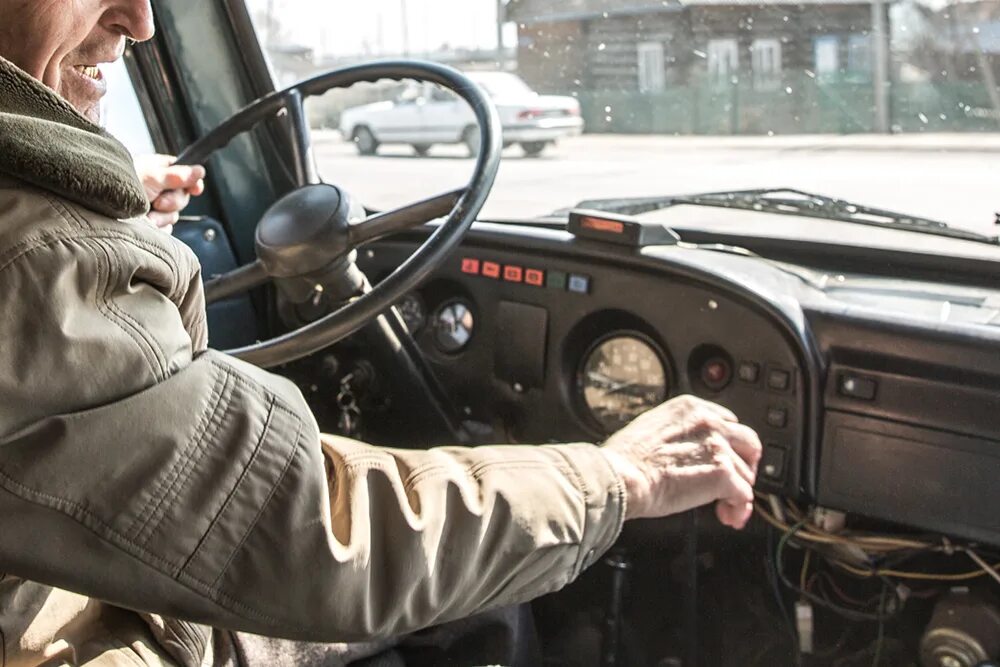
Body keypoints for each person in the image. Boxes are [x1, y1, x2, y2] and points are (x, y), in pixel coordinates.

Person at [0, 1, 762, 665]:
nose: (142, 19)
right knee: (478, 609)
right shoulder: (37, 263)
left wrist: (115, 209)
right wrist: (617, 477)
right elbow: (317, 533)